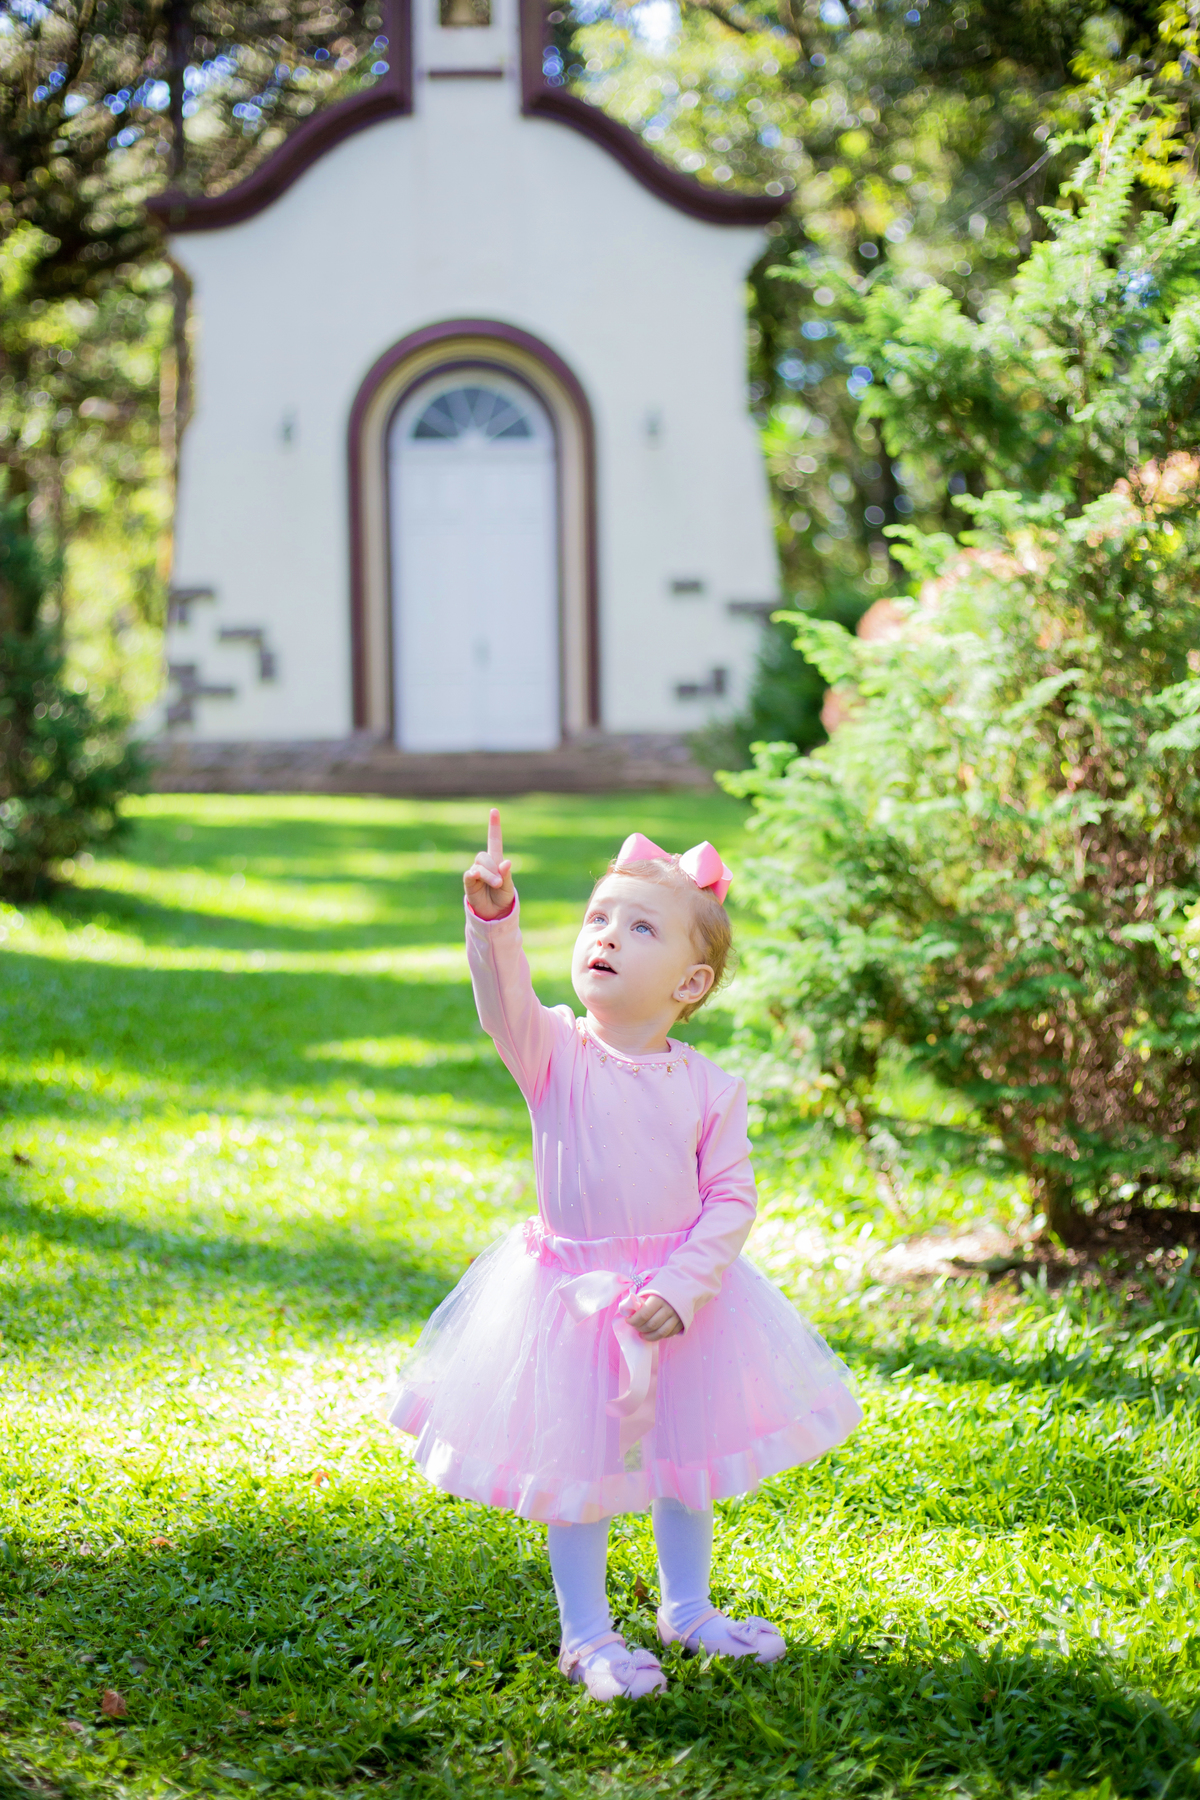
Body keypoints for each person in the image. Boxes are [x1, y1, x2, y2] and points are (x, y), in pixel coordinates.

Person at [388, 809, 861, 1701]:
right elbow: (502, 997)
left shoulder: (710, 1088)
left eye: (638, 927)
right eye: (599, 918)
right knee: (584, 1474)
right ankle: (586, 1634)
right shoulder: (554, 1051)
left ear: (690, 982)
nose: (606, 936)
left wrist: (685, 1287)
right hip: (574, 1301)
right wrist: (494, 923)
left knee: (684, 1462)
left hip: (686, 1304)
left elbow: (731, 1197)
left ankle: (686, 1608)